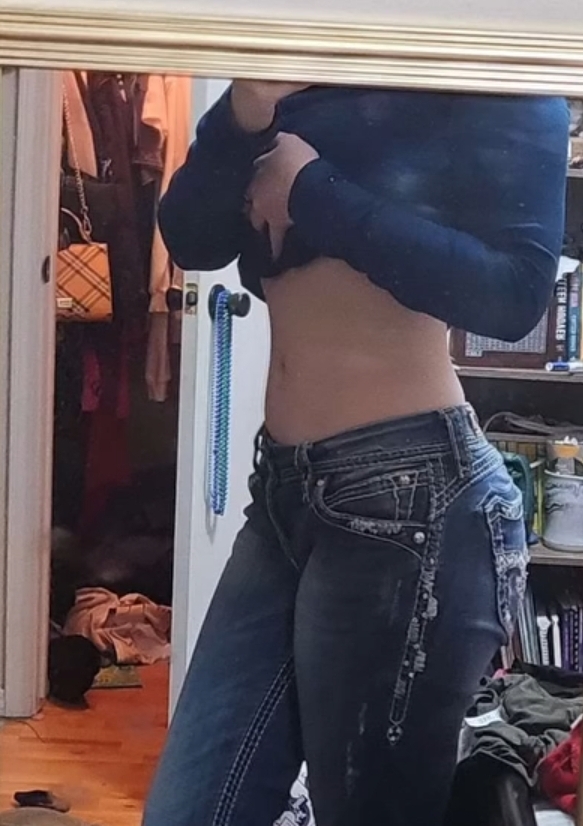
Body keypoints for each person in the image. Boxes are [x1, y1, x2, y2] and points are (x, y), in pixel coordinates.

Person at [142, 82, 569, 826]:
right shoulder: (299, 80)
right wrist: (243, 113)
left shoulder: (487, 73)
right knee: (191, 809)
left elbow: (513, 295)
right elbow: (192, 238)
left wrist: (313, 190)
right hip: (284, 491)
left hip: (412, 497)